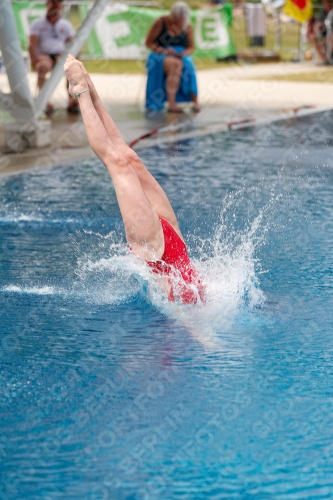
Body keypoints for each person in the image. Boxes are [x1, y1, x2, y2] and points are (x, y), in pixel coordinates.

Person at [64, 55, 205, 305]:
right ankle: (91, 91)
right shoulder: (206, 313)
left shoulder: (191, 324)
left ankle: (80, 91)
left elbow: (190, 326)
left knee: (118, 164)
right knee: (130, 158)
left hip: (154, 252)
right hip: (177, 244)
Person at [145, 2, 200, 113]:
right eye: (177, 17)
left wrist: (183, 53)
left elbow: (191, 47)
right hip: (159, 55)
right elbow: (149, 43)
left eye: (181, 18)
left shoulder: (187, 26)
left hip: (179, 54)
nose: (178, 21)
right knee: (176, 64)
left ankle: (195, 101)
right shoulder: (160, 22)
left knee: (188, 65)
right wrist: (164, 50)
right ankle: (172, 103)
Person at [29, 0, 79, 114]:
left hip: (60, 54)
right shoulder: (38, 24)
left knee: (69, 66)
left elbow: (72, 44)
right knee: (42, 67)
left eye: (57, 3)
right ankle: (44, 99)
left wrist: (74, 59)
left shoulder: (66, 25)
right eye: (52, 2)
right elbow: (33, 43)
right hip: (44, 54)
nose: (55, 6)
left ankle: (71, 98)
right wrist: (33, 59)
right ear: (47, 4)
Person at [307, 0, 333, 64]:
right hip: (324, 34)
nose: (327, 3)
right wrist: (320, 36)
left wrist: (328, 38)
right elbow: (316, 26)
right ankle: (324, 58)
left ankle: (329, 58)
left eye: (328, 1)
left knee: (332, 36)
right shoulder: (321, 14)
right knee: (313, 37)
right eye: (325, 2)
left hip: (331, 35)